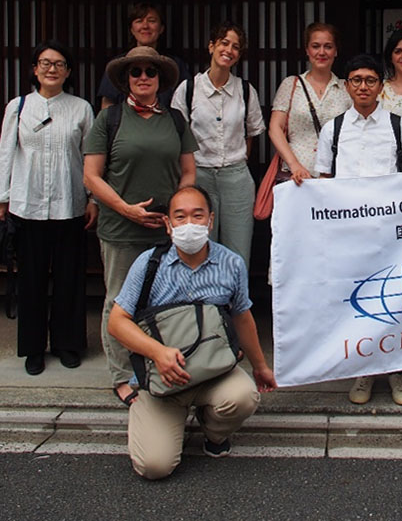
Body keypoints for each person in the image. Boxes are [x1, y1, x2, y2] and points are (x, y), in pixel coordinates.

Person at [108, 185, 276, 479]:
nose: (189, 224)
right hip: (163, 380)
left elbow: (242, 316)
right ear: (168, 224)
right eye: (180, 217)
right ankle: (164, 418)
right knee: (154, 467)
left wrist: (260, 366)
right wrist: (157, 353)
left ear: (211, 221)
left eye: (197, 216)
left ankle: (213, 432)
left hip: (214, 372)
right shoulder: (148, 263)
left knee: (244, 396)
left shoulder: (231, 263)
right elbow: (117, 321)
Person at [84, 46, 198, 407]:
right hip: (121, 228)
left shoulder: (175, 119)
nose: (144, 77)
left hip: (165, 228)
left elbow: (189, 171)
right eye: (136, 72)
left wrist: (178, 214)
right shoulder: (110, 119)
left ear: (160, 79)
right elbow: (91, 176)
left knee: (165, 298)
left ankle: (160, 363)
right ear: (127, 79)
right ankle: (121, 375)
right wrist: (124, 209)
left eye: (151, 71)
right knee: (119, 300)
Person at [315, 54, 402, 405]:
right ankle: (364, 370)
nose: (363, 86)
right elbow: (324, 183)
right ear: (346, 85)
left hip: (392, 233)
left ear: (381, 86)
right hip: (349, 232)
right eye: (356, 80)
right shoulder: (333, 128)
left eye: (371, 80)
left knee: (396, 300)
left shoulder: (398, 126)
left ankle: (397, 370)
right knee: (358, 301)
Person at [0, 40, 96, 375]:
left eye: (59, 63)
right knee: (31, 280)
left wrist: (92, 199)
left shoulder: (81, 108)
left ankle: (67, 344)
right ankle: (33, 348)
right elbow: (6, 153)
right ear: (34, 69)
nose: (52, 69)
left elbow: (90, 158)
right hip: (27, 205)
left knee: (69, 279)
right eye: (45, 63)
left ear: (68, 71)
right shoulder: (18, 107)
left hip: (69, 204)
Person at [171, 20, 265, 269]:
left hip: (236, 176)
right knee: (200, 247)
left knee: (238, 250)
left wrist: (238, 160)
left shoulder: (245, 90)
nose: (229, 50)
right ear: (211, 46)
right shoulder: (188, 89)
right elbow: (177, 136)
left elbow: (251, 133)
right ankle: (205, 305)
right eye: (224, 43)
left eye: (235, 47)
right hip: (199, 174)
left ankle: (237, 307)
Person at [267, 22, 352, 186]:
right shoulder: (291, 85)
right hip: (295, 176)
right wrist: (295, 165)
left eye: (328, 46)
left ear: (336, 51)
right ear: (307, 50)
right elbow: (275, 128)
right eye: (315, 46)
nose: (321, 52)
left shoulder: (345, 88)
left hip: (335, 175)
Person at [97, 2, 190, 110]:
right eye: (139, 21)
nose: (145, 26)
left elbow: (186, 100)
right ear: (132, 29)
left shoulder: (174, 65)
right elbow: (108, 102)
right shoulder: (119, 64)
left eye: (152, 21)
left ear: (161, 28)